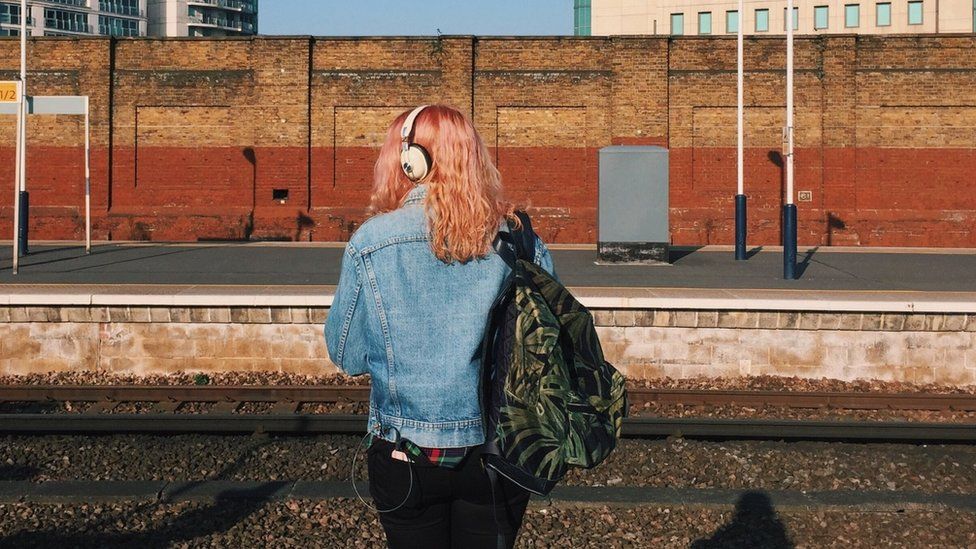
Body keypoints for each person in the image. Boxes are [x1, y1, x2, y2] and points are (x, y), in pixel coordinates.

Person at [324, 104, 556, 549]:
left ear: (409, 163)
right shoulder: (520, 241)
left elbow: (347, 356)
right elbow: (548, 345)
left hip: (405, 454)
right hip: (498, 453)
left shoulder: (371, 243)